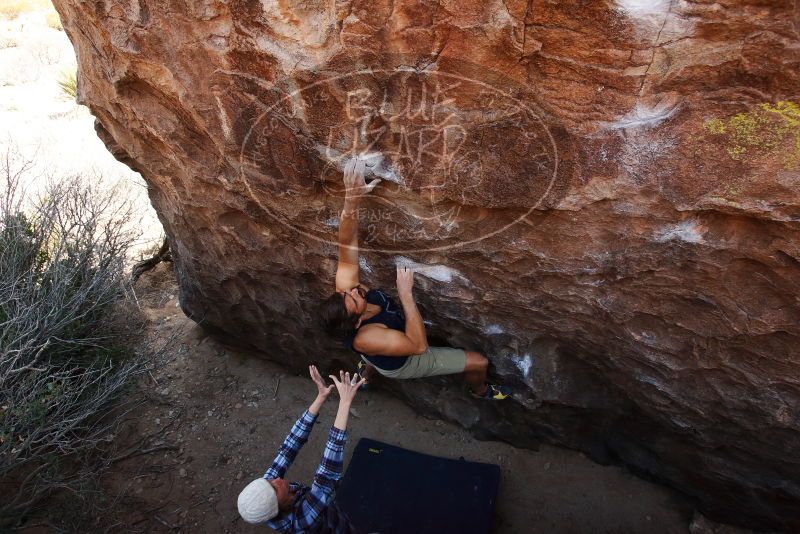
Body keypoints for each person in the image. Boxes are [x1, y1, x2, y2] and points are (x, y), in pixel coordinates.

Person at [319, 158, 511, 400]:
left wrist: (352, 198)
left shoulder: (348, 293)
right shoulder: (367, 336)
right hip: (404, 361)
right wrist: (406, 295)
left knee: (372, 353)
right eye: (353, 299)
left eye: (346, 293)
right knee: (478, 361)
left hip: (382, 343)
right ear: (356, 322)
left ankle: (366, 370)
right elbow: (418, 346)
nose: (354, 291)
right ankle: (480, 391)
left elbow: (346, 244)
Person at [237, 366, 364, 532]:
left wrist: (321, 396)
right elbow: (327, 475)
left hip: (332, 514)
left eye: (267, 481)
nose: (274, 479)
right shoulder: (302, 521)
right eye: (274, 487)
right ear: (277, 506)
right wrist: (345, 402)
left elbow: (290, 446)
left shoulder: (268, 491)